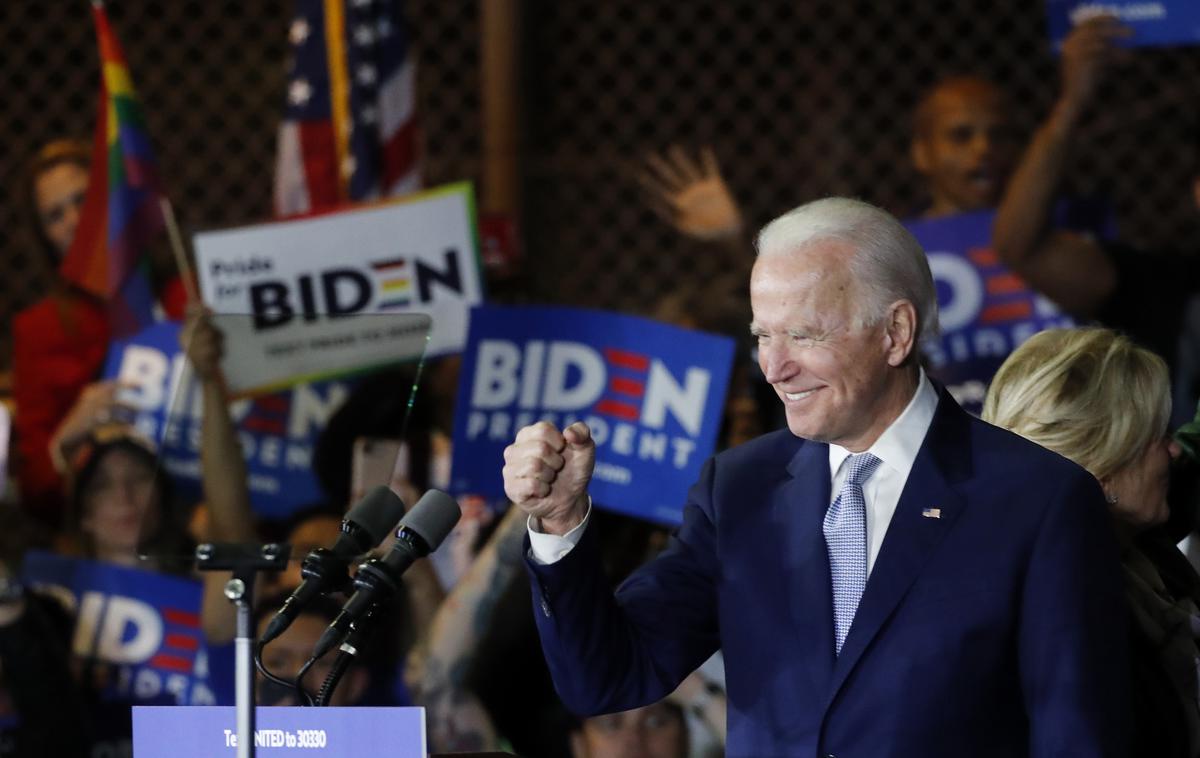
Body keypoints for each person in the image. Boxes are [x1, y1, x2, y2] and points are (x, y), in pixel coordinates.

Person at [503, 197, 1129, 756]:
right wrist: (560, 524)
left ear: (896, 332)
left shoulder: (1035, 499)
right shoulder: (739, 490)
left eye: (802, 334)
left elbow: (1076, 735)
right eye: (762, 336)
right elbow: (610, 676)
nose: (774, 368)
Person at [984, 327, 1200, 756]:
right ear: (1101, 474)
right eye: (1156, 437)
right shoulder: (1070, 627)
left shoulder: (1131, 542)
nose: (1172, 452)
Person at [11, 140, 187, 526]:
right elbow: (36, 490)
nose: (74, 221)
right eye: (55, 215)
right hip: (108, 531)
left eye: (82, 200)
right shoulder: (38, 332)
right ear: (45, 239)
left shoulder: (184, 297)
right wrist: (69, 434)